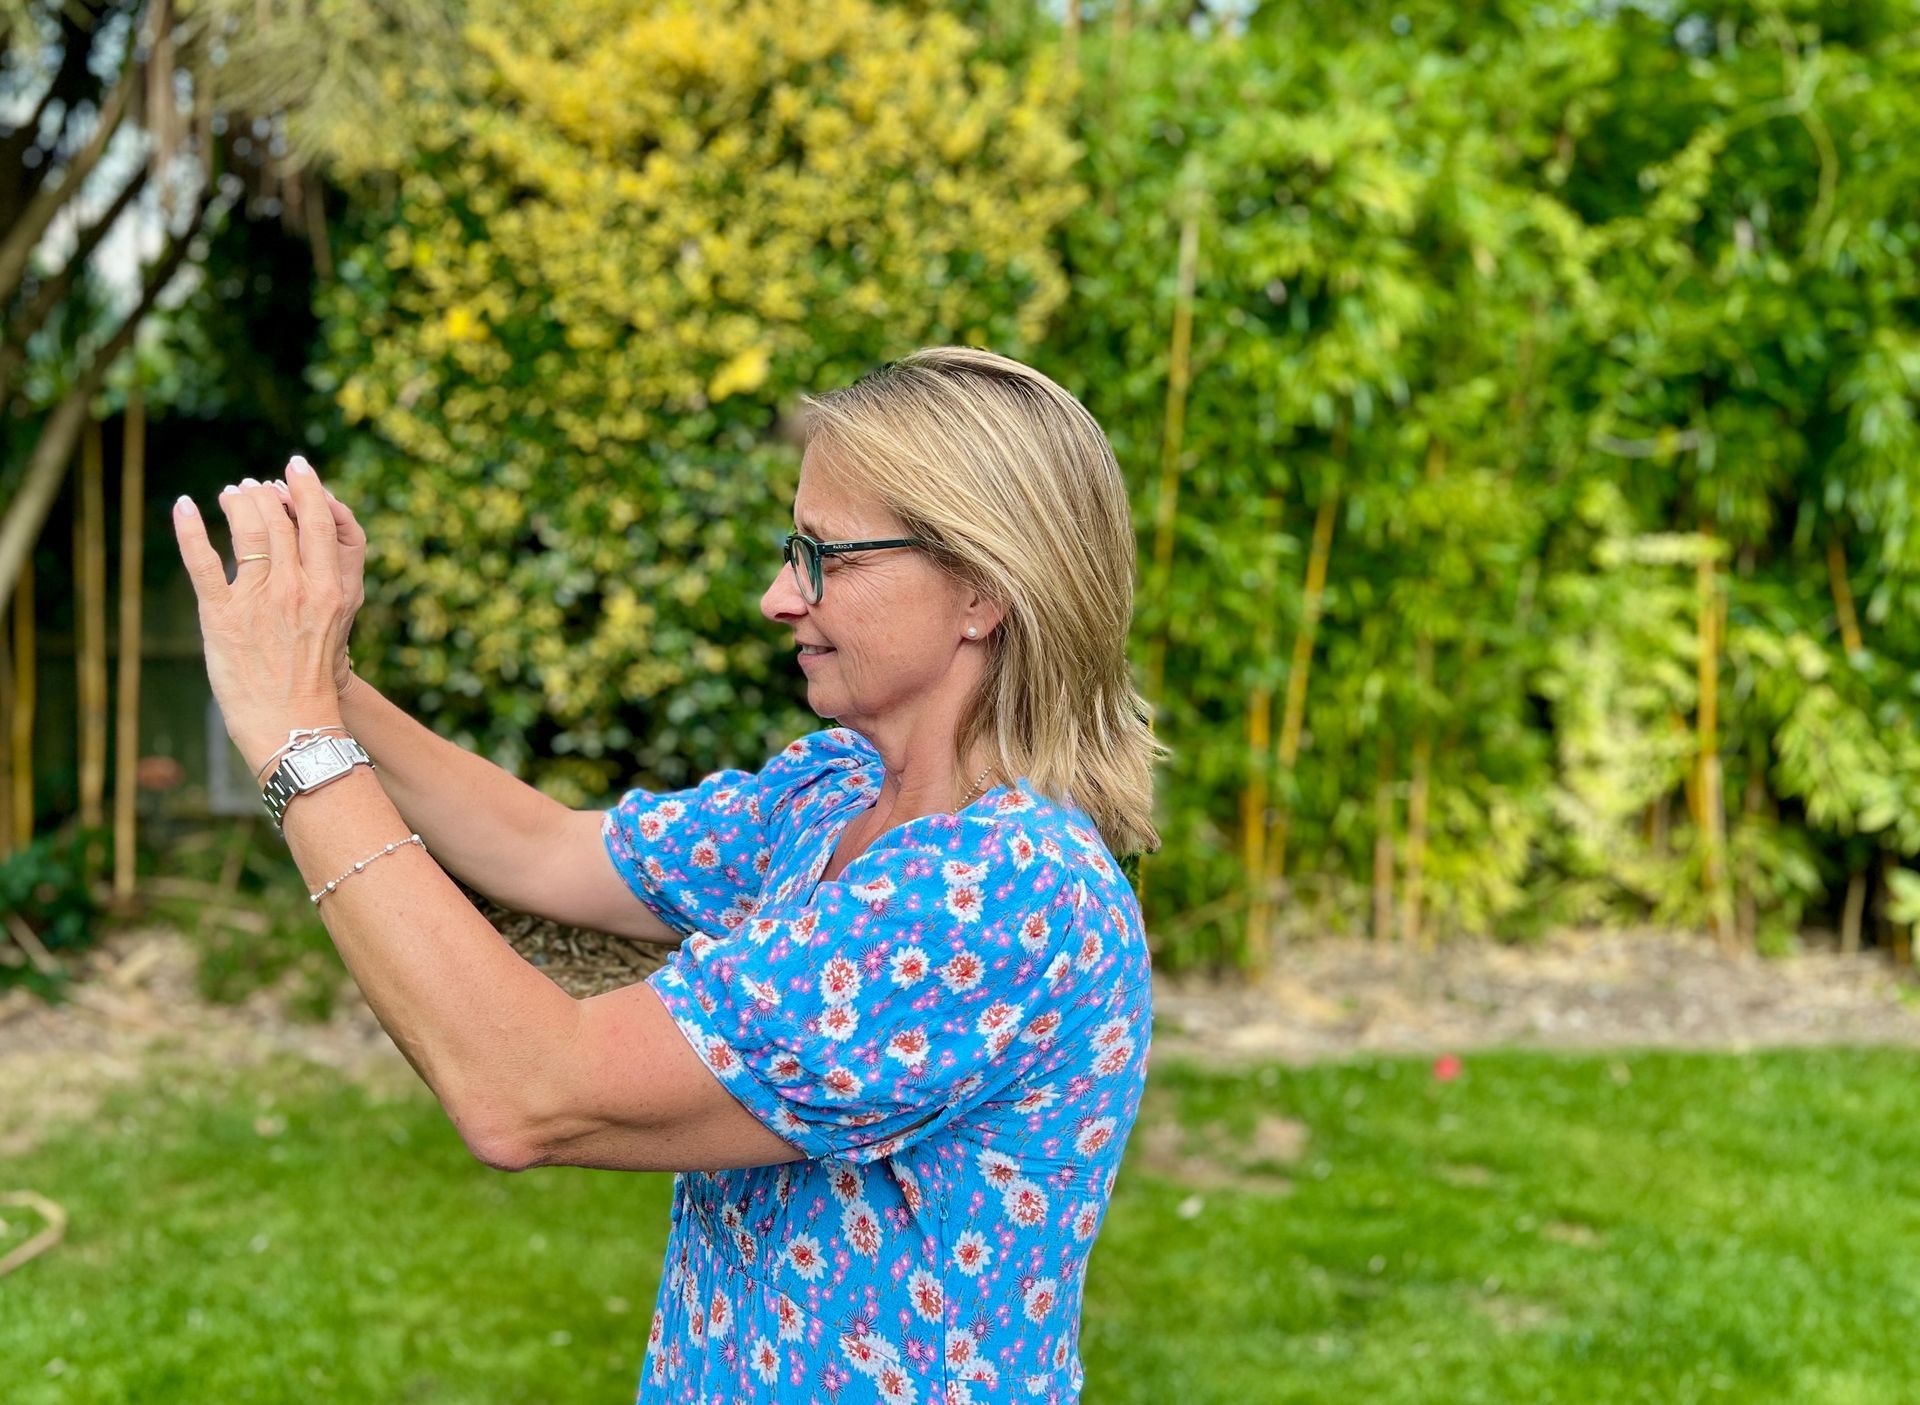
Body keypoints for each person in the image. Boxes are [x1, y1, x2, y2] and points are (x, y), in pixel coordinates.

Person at [172, 345, 1163, 1404]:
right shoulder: (832, 796)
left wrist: (297, 737)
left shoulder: (1005, 891)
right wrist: (320, 679)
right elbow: (544, 848)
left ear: (981, 589)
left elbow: (529, 1090)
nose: (781, 595)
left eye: (829, 556)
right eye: (794, 548)